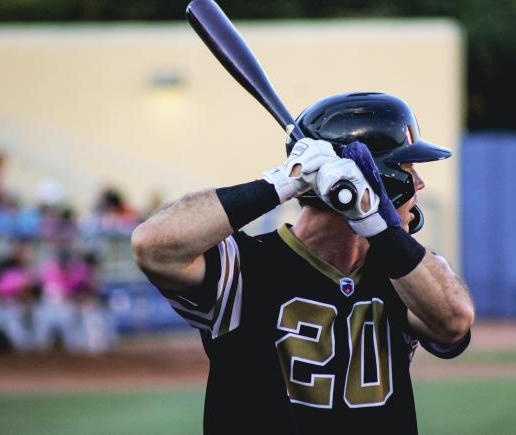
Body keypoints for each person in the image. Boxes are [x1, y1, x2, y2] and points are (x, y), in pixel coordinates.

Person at [132, 92, 475, 434]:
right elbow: (152, 245)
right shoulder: (244, 266)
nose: (419, 182)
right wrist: (283, 181)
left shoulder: (403, 272)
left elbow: (454, 321)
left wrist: (375, 224)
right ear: (378, 175)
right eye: (407, 166)